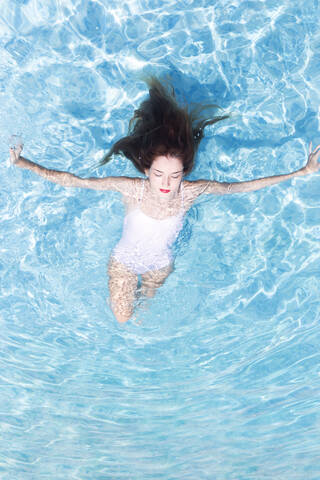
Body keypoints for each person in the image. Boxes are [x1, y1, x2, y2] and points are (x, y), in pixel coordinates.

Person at [10, 77, 320, 323]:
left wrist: (300, 172)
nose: (166, 184)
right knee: (122, 318)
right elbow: (74, 181)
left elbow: (238, 188)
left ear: (185, 172)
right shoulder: (133, 189)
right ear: (147, 169)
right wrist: (25, 164)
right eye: (159, 174)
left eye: (174, 175)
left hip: (161, 264)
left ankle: (144, 303)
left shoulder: (190, 192)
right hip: (125, 262)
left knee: (143, 313)